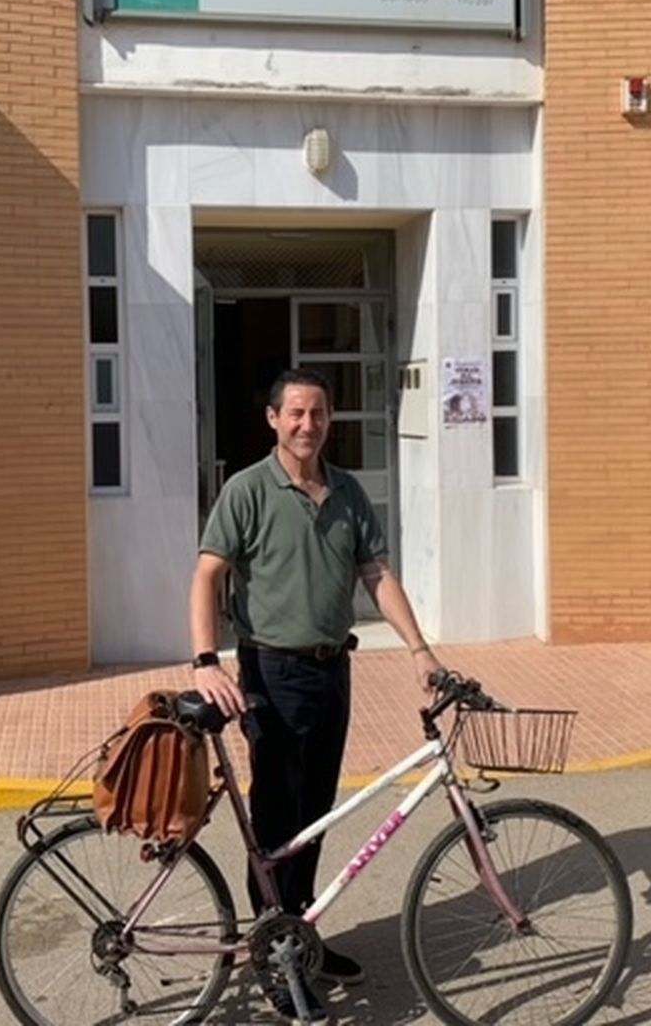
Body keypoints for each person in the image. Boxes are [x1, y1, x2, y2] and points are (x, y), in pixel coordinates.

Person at [189, 368, 442, 1023]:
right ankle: (274, 946)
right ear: (273, 420)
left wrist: (419, 648)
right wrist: (204, 661)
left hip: (333, 672)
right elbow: (207, 574)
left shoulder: (349, 492)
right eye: (295, 413)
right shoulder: (247, 490)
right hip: (271, 672)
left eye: (319, 413)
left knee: (317, 813)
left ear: (330, 420)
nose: (308, 424)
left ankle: (301, 934)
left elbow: (377, 574)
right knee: (278, 818)